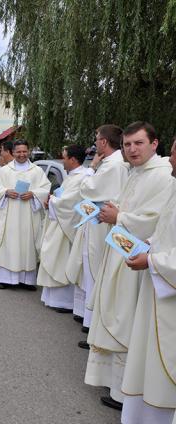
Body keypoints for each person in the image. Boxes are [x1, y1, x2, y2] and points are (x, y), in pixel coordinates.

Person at [85, 121, 173, 410]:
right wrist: (113, 215)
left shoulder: (163, 176)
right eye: (127, 145)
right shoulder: (136, 172)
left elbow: (156, 221)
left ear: (154, 144)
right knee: (119, 314)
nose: (132, 149)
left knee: (129, 321)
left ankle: (129, 393)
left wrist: (119, 217)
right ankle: (120, 386)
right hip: (124, 251)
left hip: (144, 261)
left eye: (138, 143)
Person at [121, 138, 176, 424]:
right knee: (149, 357)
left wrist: (152, 261)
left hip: (169, 293)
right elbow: (167, 229)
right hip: (157, 286)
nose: (171, 159)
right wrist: (150, 242)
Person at [65, 125, 129, 334]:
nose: (95, 143)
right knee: (91, 267)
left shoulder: (113, 165)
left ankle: (94, 324)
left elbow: (87, 188)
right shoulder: (112, 163)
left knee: (96, 268)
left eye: (96, 139)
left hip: (103, 223)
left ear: (103, 142)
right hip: (98, 220)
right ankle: (88, 316)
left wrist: (91, 167)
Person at [0, 140, 51, 290]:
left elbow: (45, 188)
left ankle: (27, 280)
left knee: (27, 244)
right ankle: (5, 279)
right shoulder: (4, 171)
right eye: (18, 152)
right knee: (9, 243)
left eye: (24, 151)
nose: (22, 154)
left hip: (29, 215)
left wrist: (34, 194)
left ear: (28, 151)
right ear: (13, 152)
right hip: (9, 214)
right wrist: (5, 192)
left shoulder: (36, 171)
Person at [36, 145, 90, 311]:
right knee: (53, 256)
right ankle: (52, 298)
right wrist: (52, 199)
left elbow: (70, 203)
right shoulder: (73, 176)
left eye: (64, 157)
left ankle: (64, 301)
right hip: (59, 222)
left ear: (73, 160)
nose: (62, 160)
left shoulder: (83, 177)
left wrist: (52, 200)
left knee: (61, 259)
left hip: (66, 226)